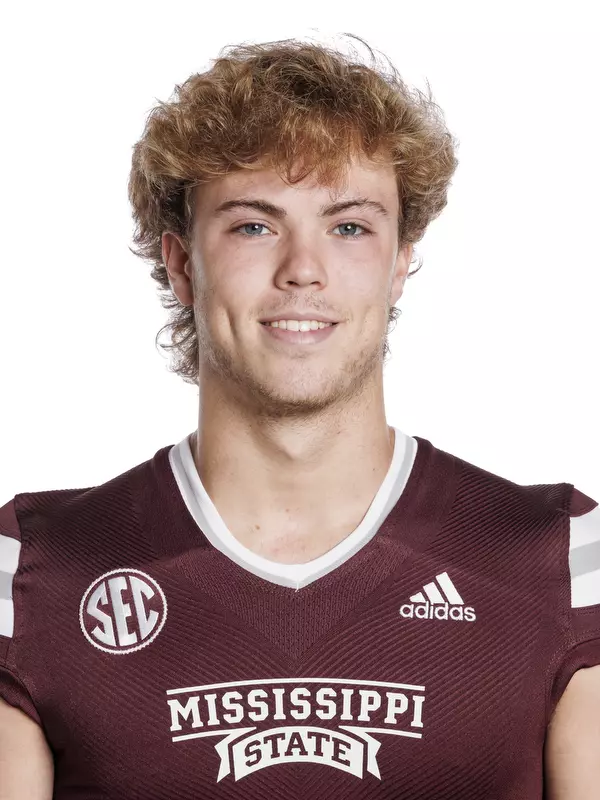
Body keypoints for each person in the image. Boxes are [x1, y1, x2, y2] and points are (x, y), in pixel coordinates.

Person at [0, 34, 598, 800]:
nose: (303, 269)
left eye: (349, 226)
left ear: (400, 260)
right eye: (255, 225)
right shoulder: (30, 574)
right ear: (182, 263)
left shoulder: (559, 558)